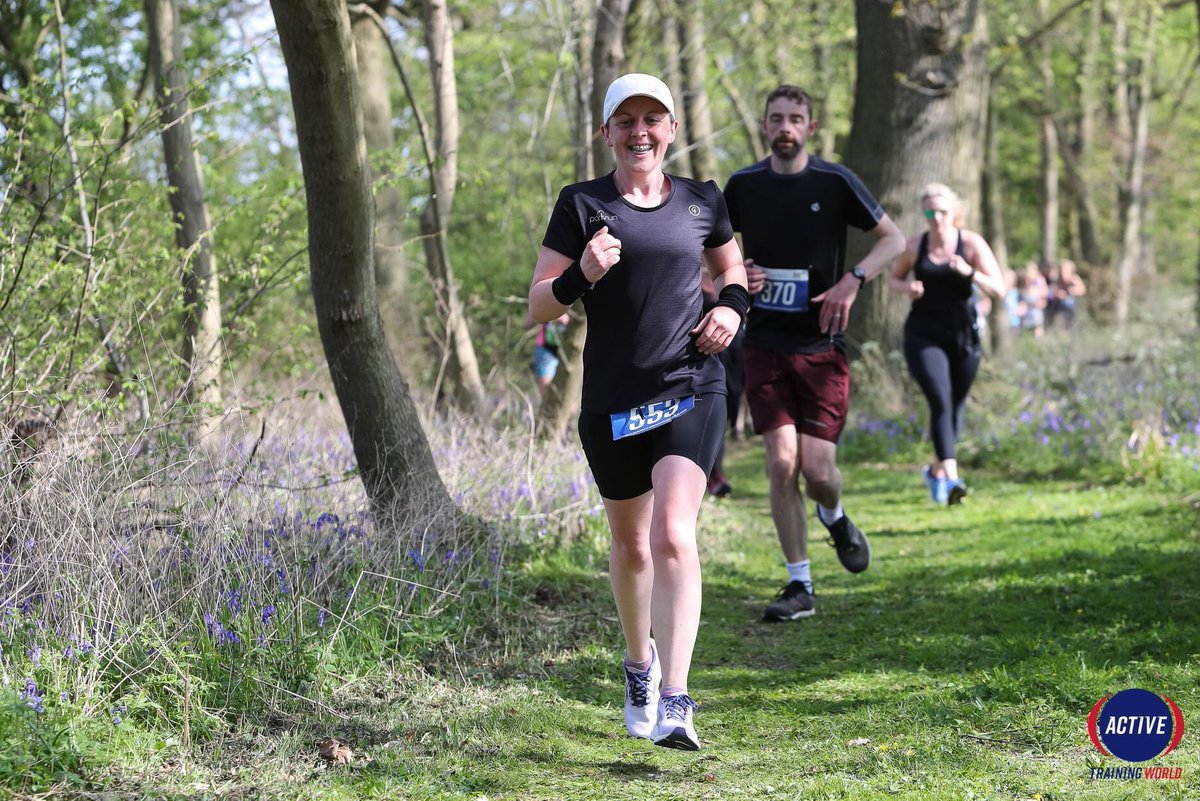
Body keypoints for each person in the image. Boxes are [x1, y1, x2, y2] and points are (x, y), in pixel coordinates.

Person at [527, 73, 748, 751]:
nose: (640, 131)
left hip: (690, 384)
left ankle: (678, 700)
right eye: (626, 121)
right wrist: (580, 275)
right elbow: (539, 305)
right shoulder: (581, 203)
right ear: (607, 133)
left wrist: (730, 311)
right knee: (630, 546)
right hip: (614, 401)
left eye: (653, 118)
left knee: (673, 534)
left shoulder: (702, 201)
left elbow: (734, 273)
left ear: (673, 130)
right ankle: (638, 665)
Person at [723, 85, 905, 623]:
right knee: (782, 463)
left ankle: (837, 517)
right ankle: (799, 584)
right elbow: (710, 248)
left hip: (822, 346)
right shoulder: (743, 186)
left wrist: (853, 280)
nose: (786, 126)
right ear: (763, 125)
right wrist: (737, 273)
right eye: (776, 117)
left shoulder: (835, 181)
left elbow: (893, 239)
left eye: (795, 118)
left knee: (819, 470)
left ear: (811, 126)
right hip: (764, 344)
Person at [888, 183, 1005, 505]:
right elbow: (892, 279)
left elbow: (999, 289)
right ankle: (953, 480)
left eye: (942, 211)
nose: (936, 218)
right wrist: (907, 286)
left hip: (963, 334)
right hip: (923, 334)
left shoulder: (971, 243)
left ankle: (936, 471)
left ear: (954, 213)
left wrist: (970, 274)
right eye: (930, 212)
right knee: (940, 399)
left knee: (955, 405)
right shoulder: (915, 245)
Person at [700, 271, 745, 498]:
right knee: (709, 426)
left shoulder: (734, 288)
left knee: (720, 428)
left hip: (734, 372)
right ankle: (714, 477)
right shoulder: (694, 291)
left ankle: (714, 475)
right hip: (705, 372)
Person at [523, 310, 570, 397]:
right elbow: (528, 323)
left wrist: (565, 319)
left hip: (567, 349)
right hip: (545, 348)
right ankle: (546, 408)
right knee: (546, 385)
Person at [1046, 259, 1086, 329]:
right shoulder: (1058, 280)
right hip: (1058, 305)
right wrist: (1058, 294)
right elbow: (1051, 292)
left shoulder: (1074, 279)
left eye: (1065, 269)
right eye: (1062, 269)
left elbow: (1082, 290)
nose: (1063, 271)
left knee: (1068, 302)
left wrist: (1070, 291)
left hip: (1072, 307)